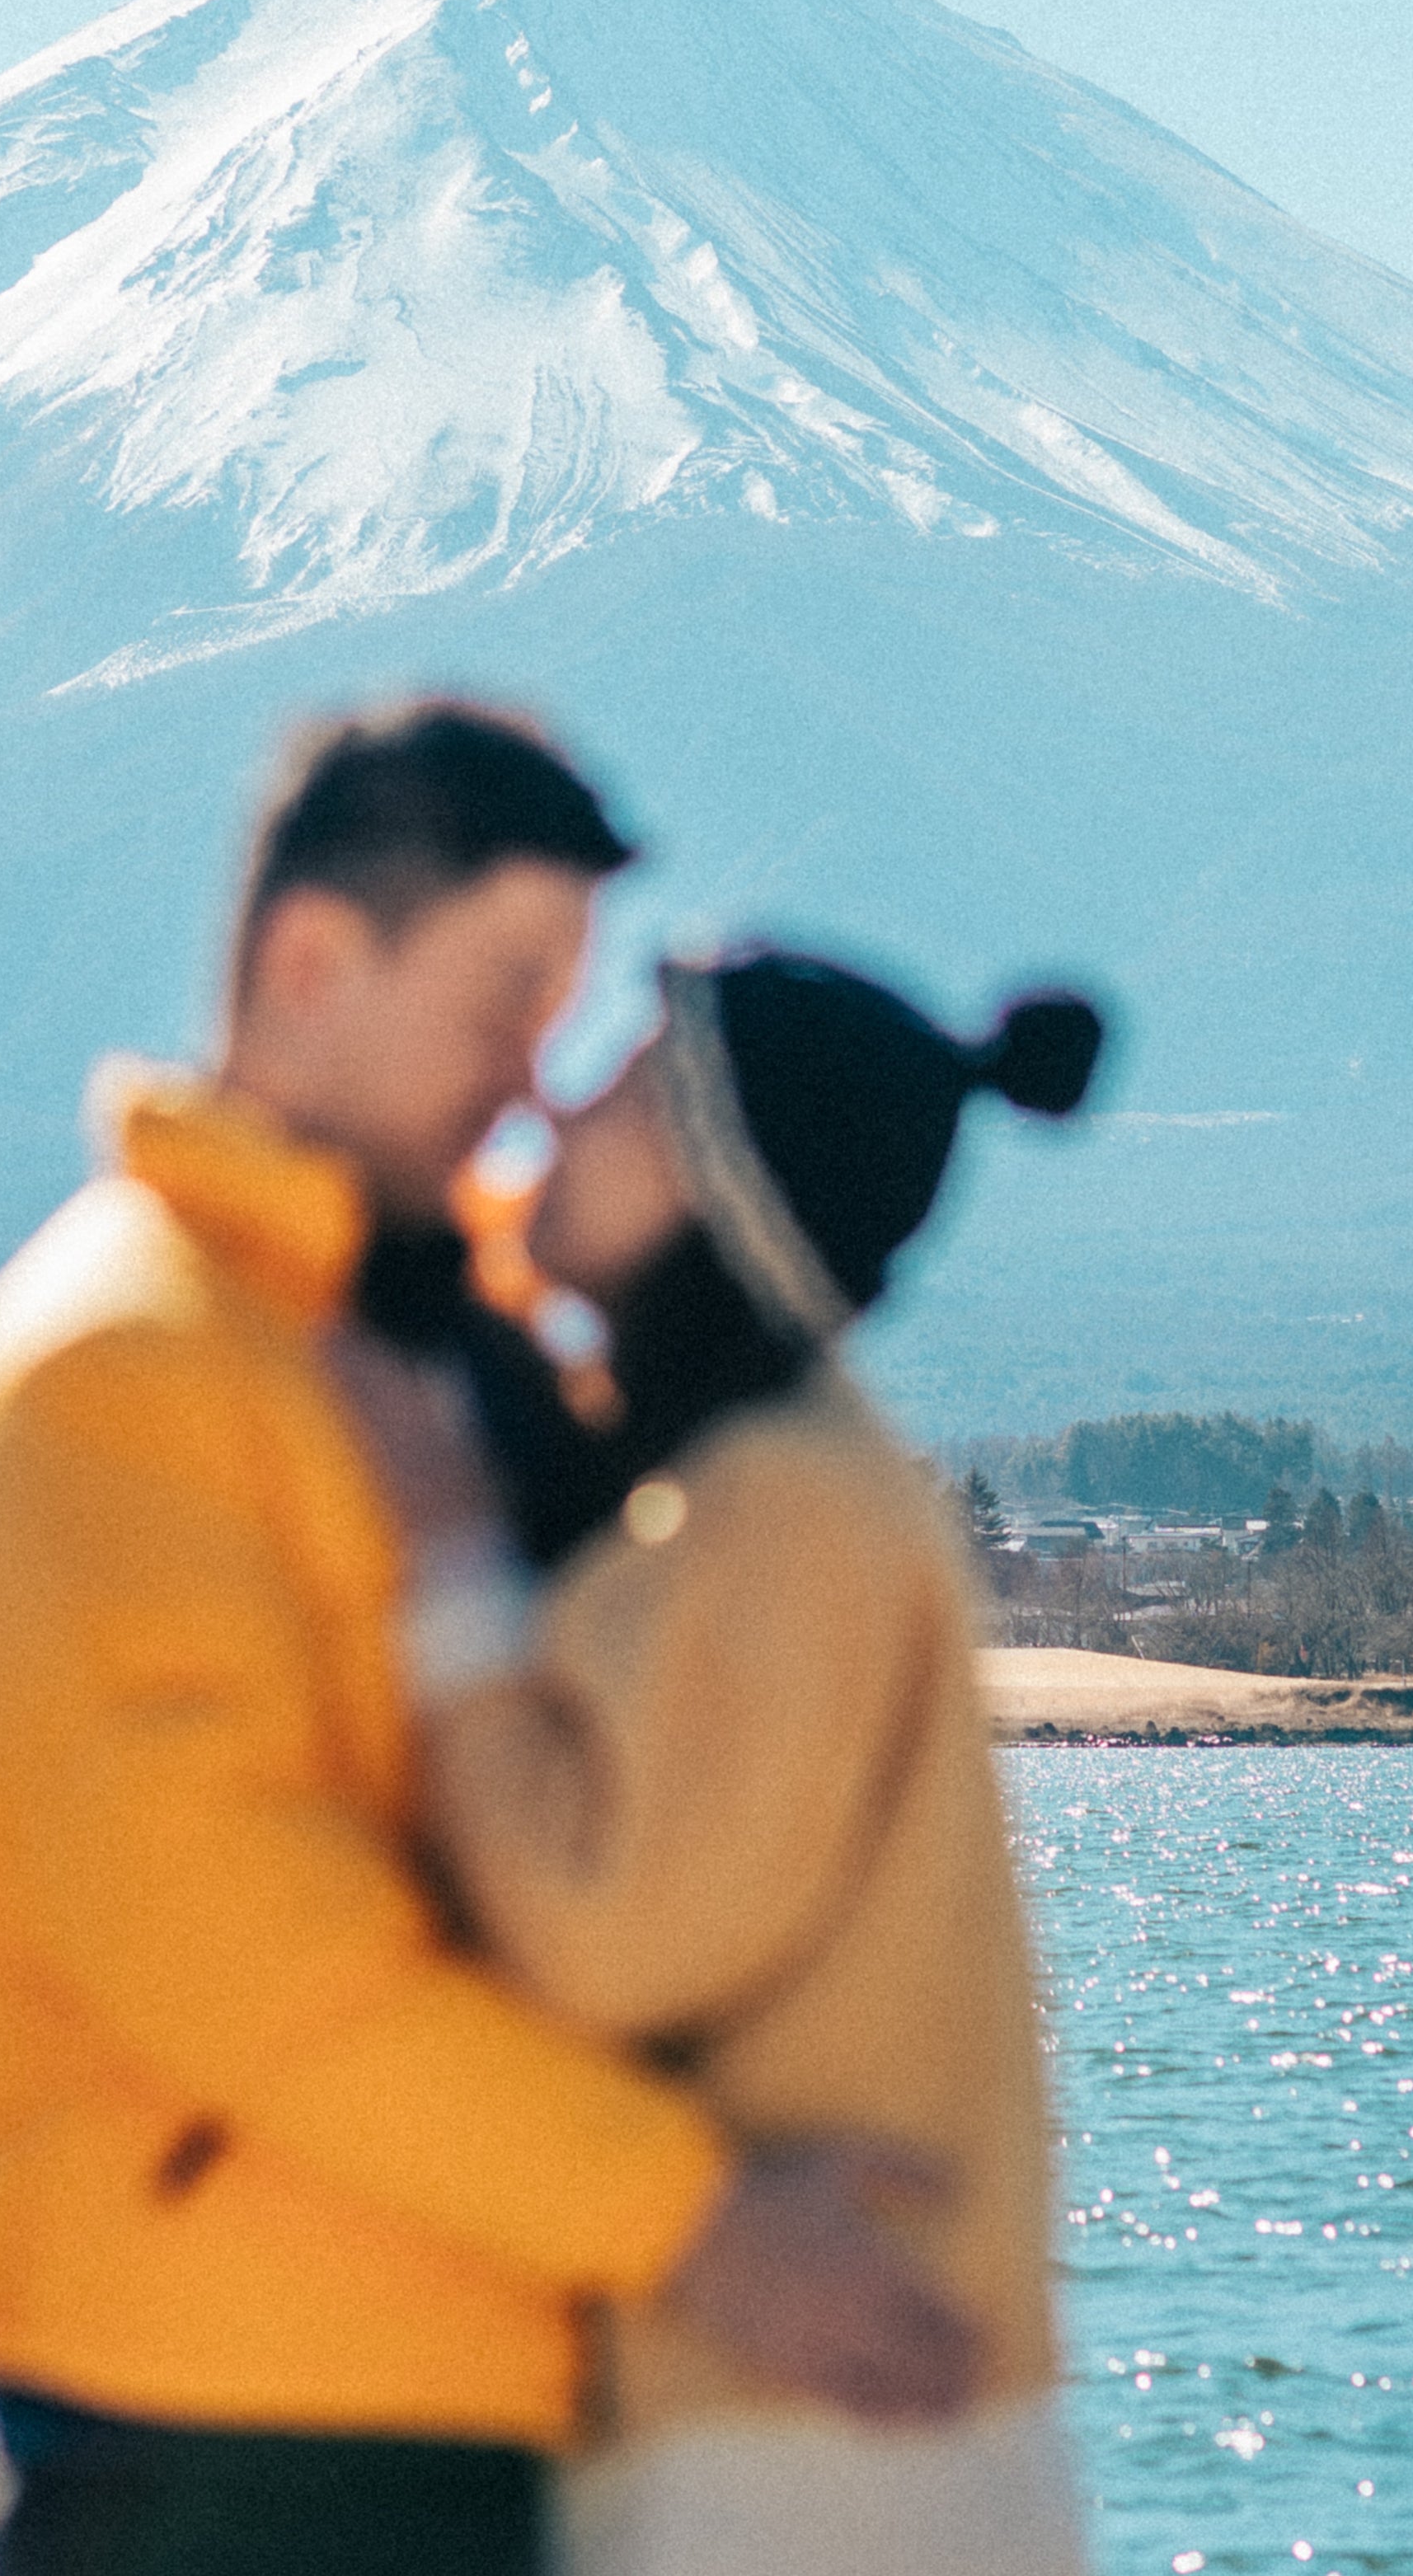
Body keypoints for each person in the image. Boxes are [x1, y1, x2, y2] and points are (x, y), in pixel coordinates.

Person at [0, 705, 982, 2576]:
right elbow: (247, 1956)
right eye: (507, 997)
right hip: (226, 2431)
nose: (538, 1081)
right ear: (312, 964)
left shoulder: (433, 1336)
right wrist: (700, 2225)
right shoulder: (111, 1378)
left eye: (567, 1013)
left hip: (437, 2391)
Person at [338, 945, 1106, 2576]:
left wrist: (456, 1590)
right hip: (826, 2423)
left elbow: (606, 1926)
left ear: (710, 1172)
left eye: (620, 1081)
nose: (556, 1096)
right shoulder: (778, 1482)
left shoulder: (779, 1510)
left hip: (805, 2450)